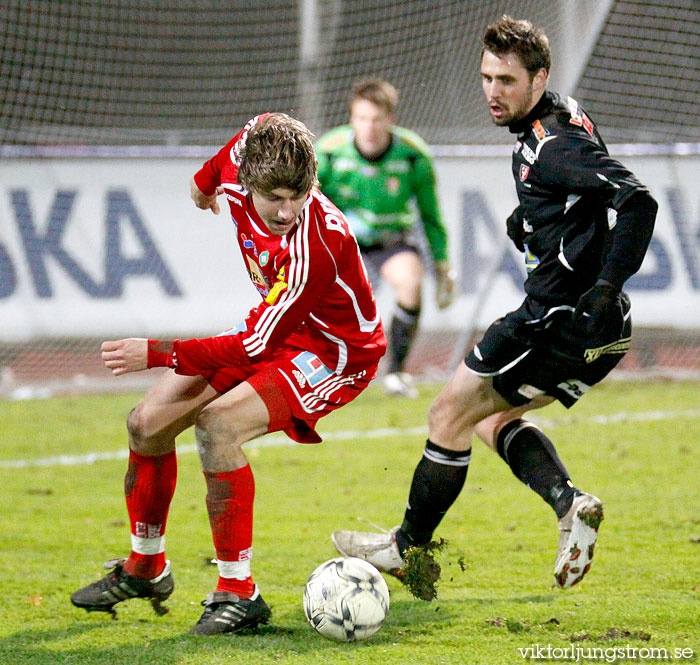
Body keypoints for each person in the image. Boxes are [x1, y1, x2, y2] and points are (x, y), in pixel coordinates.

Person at [331, 15, 657, 597]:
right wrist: (533, 219)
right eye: (486, 78)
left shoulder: (555, 144)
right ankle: (569, 504)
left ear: (538, 78)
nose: (492, 92)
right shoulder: (561, 115)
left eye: (506, 80)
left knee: (446, 417)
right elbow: (583, 192)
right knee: (486, 421)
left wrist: (607, 284)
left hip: (556, 318)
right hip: (590, 327)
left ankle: (406, 550)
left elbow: (636, 200)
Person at [70, 113, 387, 634]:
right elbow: (243, 138)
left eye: (298, 196)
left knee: (218, 425)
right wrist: (201, 186)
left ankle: (240, 593)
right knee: (145, 424)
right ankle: (146, 566)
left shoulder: (318, 241)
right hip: (276, 324)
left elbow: (257, 343)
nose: (288, 211)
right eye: (275, 198)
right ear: (248, 183)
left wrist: (156, 351)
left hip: (335, 352)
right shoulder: (242, 164)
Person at [316, 78, 455, 399]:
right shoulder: (328, 153)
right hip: (341, 242)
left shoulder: (413, 155)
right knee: (319, 299)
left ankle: (396, 373)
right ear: (351, 118)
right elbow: (305, 205)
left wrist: (443, 263)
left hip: (391, 241)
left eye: (376, 119)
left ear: (390, 119)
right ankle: (322, 370)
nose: (368, 127)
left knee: (410, 284)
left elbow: (431, 215)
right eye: (361, 118)